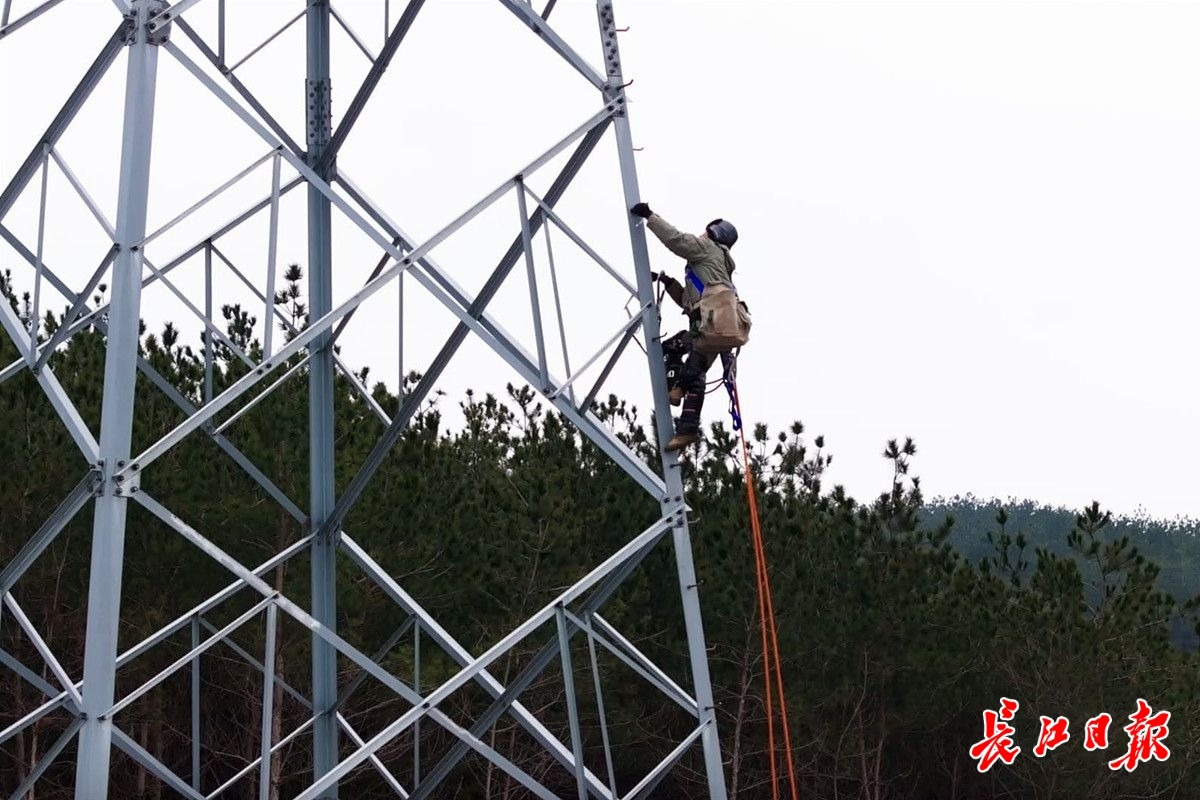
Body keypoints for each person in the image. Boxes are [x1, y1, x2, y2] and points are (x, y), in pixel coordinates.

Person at [630, 201, 739, 452]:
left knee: (681, 354)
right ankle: (687, 426)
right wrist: (667, 282)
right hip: (717, 326)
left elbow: (676, 240)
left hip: (709, 325)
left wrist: (650, 216)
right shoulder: (717, 266)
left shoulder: (707, 249)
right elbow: (688, 301)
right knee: (694, 366)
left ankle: (676, 388)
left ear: (714, 233)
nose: (702, 233)